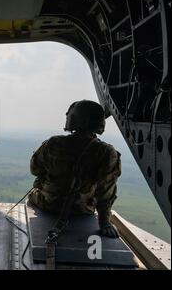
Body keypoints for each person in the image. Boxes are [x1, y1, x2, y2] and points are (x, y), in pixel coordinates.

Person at [28, 100, 121, 238]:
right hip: (82, 209)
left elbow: (35, 169)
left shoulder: (54, 143)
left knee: (34, 191)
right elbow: (106, 192)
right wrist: (104, 223)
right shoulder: (107, 152)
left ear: (73, 119)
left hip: (47, 203)